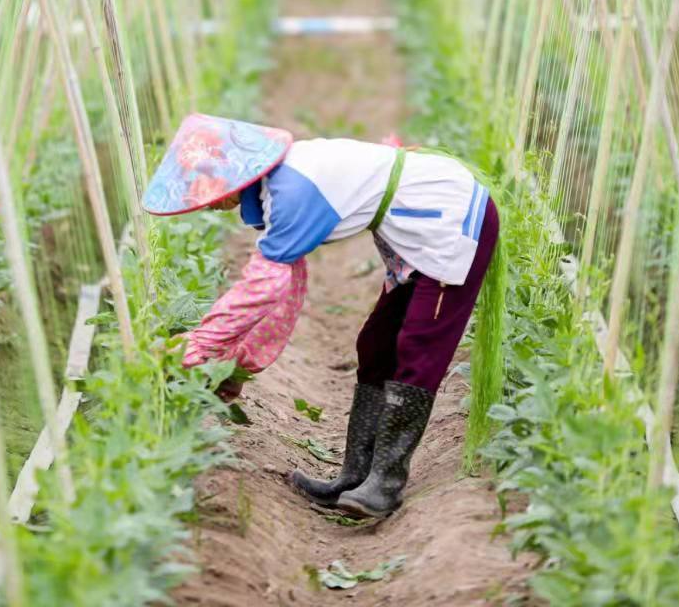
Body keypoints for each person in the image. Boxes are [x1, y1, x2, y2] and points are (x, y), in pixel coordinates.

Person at [142, 113, 502, 518]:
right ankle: (354, 477)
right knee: (376, 344)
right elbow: (284, 288)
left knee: (419, 349)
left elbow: (264, 289)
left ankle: (385, 483)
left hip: (450, 224)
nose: (212, 201)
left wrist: (199, 348)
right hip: (414, 231)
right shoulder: (278, 186)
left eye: (210, 189)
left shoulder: (294, 190)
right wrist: (236, 364)